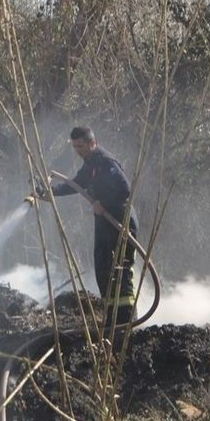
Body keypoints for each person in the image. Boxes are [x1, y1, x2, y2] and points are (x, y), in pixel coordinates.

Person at [40, 126, 139, 327]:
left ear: (92, 143)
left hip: (119, 221)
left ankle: (127, 321)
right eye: (75, 147)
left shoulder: (105, 162)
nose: (78, 151)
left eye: (81, 146)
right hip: (104, 221)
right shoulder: (90, 165)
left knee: (120, 269)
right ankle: (112, 319)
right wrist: (49, 192)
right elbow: (75, 184)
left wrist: (104, 204)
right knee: (104, 269)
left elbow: (125, 190)